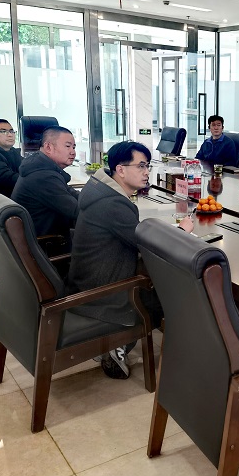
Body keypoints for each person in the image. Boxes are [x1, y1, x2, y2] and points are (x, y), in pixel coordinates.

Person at [66, 141, 194, 379]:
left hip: (88, 279)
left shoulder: (99, 189)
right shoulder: (113, 204)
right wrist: (181, 232)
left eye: (148, 166)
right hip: (105, 292)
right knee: (171, 295)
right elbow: (147, 245)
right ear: (120, 170)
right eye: (141, 166)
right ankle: (118, 343)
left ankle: (114, 341)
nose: (147, 172)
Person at [11, 126, 79, 240]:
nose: (73, 152)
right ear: (48, 147)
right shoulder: (43, 176)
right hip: (49, 242)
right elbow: (76, 211)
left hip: (47, 233)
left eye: (74, 147)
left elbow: (70, 192)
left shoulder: (41, 167)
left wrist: (92, 198)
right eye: (68, 146)